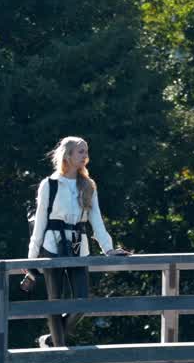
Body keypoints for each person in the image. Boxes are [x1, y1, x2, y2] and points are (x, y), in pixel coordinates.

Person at [20, 136, 129, 348]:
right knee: (55, 302)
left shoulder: (88, 185)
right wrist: (31, 259)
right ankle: (59, 356)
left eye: (86, 151)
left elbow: (96, 219)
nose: (85, 155)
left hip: (79, 243)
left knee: (82, 303)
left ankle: (51, 340)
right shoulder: (49, 185)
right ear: (67, 155)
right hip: (52, 244)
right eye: (80, 151)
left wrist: (108, 249)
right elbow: (40, 222)